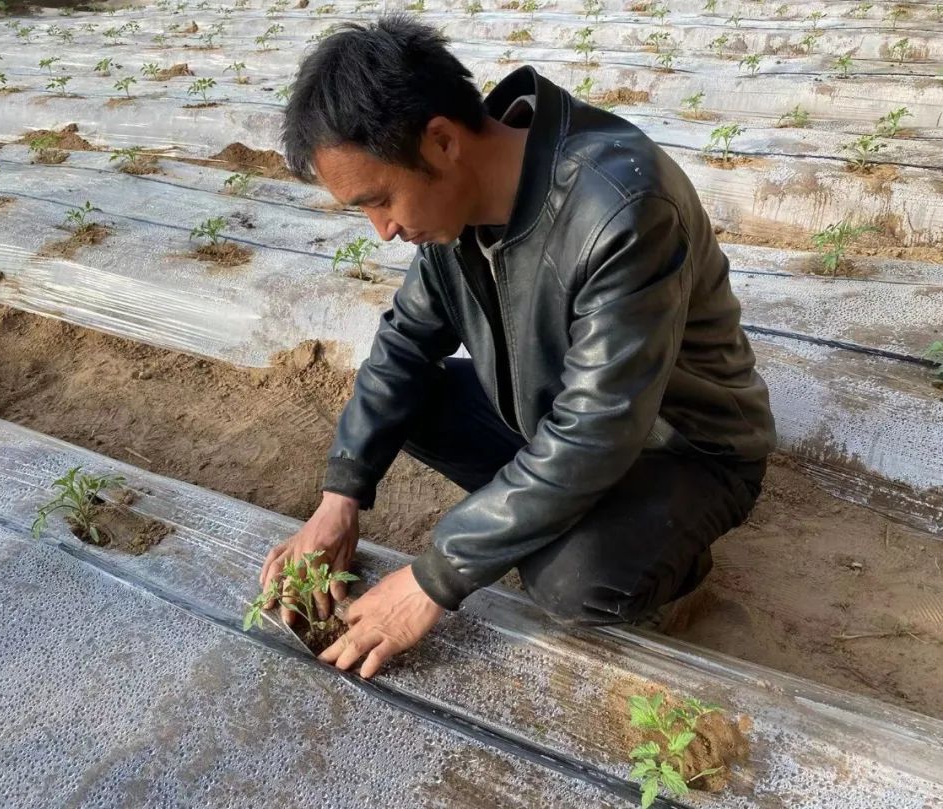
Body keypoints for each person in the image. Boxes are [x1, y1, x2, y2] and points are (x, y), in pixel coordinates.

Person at [259, 15, 777, 679]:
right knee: (406, 405)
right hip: (559, 418)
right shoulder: (457, 213)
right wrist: (340, 496)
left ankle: (674, 571)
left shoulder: (621, 207)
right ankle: (548, 513)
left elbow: (596, 433)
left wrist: (430, 579)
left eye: (380, 198)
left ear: (441, 140)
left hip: (682, 447)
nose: (382, 229)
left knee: (573, 579)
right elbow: (404, 346)